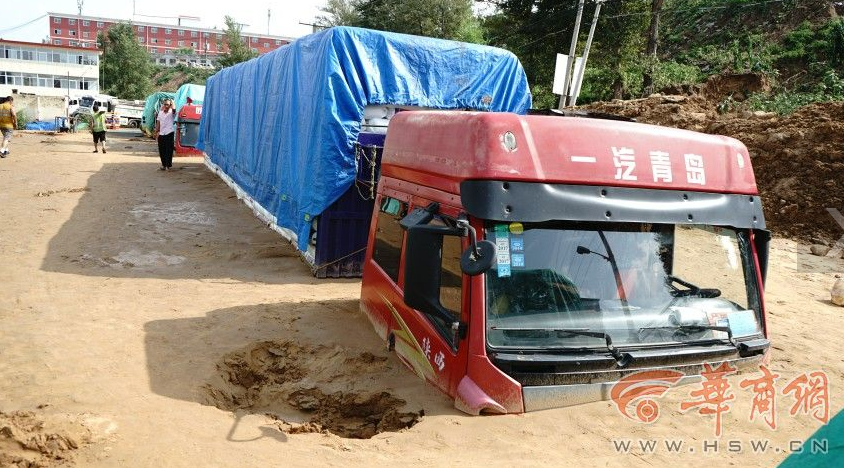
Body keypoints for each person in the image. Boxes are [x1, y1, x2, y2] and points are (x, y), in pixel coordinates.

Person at [154, 99, 176, 171]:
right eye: (165, 104)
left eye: (168, 104)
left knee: (169, 150)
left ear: (170, 105)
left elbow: (174, 109)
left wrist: (172, 102)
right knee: (161, 150)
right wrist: (156, 132)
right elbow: (158, 123)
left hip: (169, 133)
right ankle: (163, 165)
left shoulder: (172, 113)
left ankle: (168, 165)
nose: (166, 106)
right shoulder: (160, 113)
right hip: (161, 133)